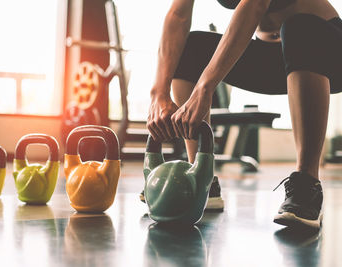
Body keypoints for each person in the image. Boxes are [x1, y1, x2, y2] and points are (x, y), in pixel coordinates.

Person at [146, 0, 342, 229]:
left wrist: (205, 87)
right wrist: (158, 93)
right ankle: (201, 179)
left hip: (325, 49)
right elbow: (177, 16)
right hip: (273, 57)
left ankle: (307, 186)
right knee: (192, 46)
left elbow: (255, 5)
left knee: (299, 27)